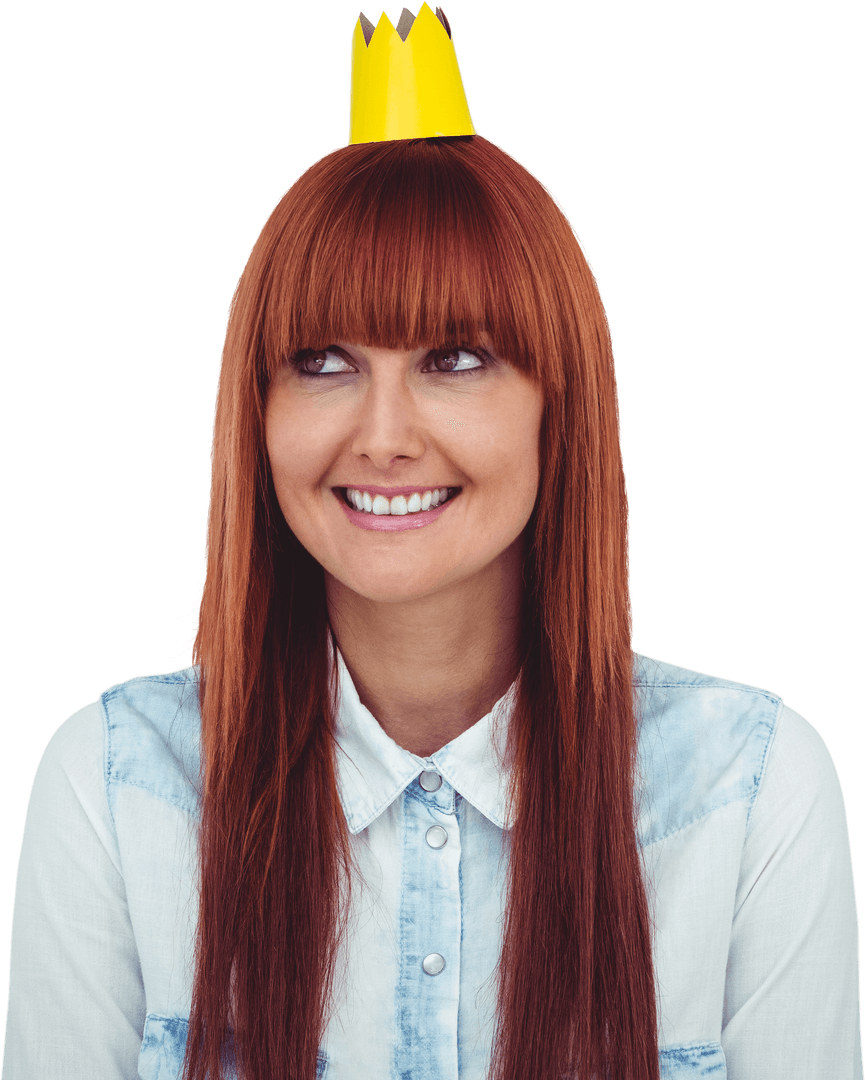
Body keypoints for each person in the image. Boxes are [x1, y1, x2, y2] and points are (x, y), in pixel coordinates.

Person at [2, 5, 861, 1079]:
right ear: (253, 412)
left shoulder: (749, 794)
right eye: (322, 360)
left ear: (563, 407)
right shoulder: (117, 791)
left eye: (455, 358)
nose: (384, 435)